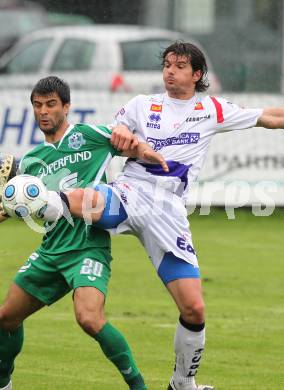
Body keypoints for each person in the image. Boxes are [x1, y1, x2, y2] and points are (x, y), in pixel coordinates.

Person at [35, 41, 284, 390]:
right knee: (77, 199)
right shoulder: (142, 104)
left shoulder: (212, 108)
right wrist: (123, 133)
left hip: (168, 212)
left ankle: (183, 383)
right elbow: (117, 130)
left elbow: (270, 118)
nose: (170, 71)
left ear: (197, 74)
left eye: (180, 66)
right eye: (167, 64)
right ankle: (31, 196)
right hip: (131, 191)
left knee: (194, 309)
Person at [0, 76, 168, 390]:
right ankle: (0, 384)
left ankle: (140, 387)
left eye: (50, 104)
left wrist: (146, 151)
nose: (43, 111)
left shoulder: (88, 136)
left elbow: (126, 142)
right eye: (37, 105)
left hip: (87, 246)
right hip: (50, 251)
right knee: (6, 316)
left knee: (89, 318)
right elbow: (3, 207)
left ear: (66, 107)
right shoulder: (32, 161)